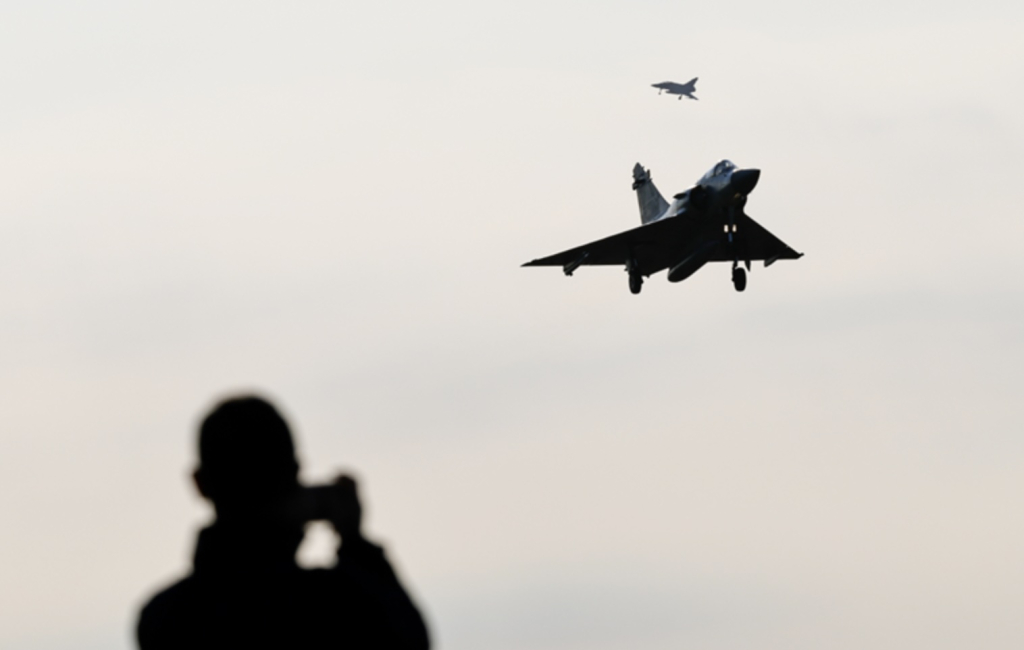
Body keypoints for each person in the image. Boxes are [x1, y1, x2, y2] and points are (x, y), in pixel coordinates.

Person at [136, 395, 429, 649]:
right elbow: (408, 638)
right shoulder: (338, 604)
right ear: (295, 473)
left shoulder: (165, 619)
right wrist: (355, 542)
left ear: (199, 484)